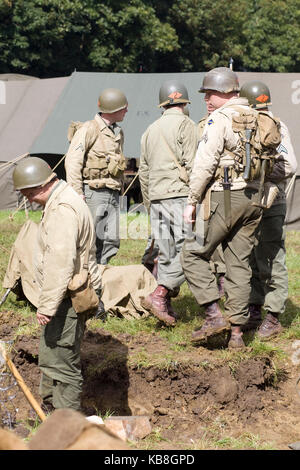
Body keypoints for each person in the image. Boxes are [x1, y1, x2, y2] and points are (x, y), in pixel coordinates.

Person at [181, 67, 279, 349]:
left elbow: (204, 164)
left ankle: (213, 316)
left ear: (225, 92)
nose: (206, 99)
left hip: (226, 197)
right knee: (239, 264)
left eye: (209, 93)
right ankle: (236, 333)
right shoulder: (257, 116)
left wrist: (191, 202)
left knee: (192, 254)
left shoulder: (219, 119)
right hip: (255, 199)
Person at [12, 157, 101, 412]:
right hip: (64, 296)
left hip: (67, 298)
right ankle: (51, 413)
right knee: (52, 357)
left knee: (62, 365)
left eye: (29, 194)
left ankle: (65, 426)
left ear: (41, 186)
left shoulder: (62, 209)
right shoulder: (62, 200)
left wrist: (47, 305)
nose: (29, 200)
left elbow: (60, 262)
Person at [239, 81, 297, 338]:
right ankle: (255, 307)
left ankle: (273, 316)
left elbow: (290, 166)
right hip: (248, 199)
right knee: (250, 255)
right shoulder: (243, 126)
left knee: (272, 257)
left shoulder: (276, 126)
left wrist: (261, 174)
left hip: (271, 199)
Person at [139, 80, 198, 325]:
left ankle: (164, 306)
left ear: (162, 103)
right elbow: (195, 165)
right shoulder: (187, 125)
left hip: (156, 196)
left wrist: (148, 202)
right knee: (193, 248)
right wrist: (195, 200)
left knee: (166, 253)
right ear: (184, 102)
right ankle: (160, 293)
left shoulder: (149, 130)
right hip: (181, 195)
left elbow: (143, 171)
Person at [65, 88, 128, 265]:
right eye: (124, 108)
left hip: (112, 192)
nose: (126, 111)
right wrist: (77, 193)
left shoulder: (117, 132)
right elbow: (72, 162)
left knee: (111, 240)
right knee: (89, 239)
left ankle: (100, 276)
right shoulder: (88, 129)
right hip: (93, 193)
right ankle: (82, 280)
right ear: (114, 108)